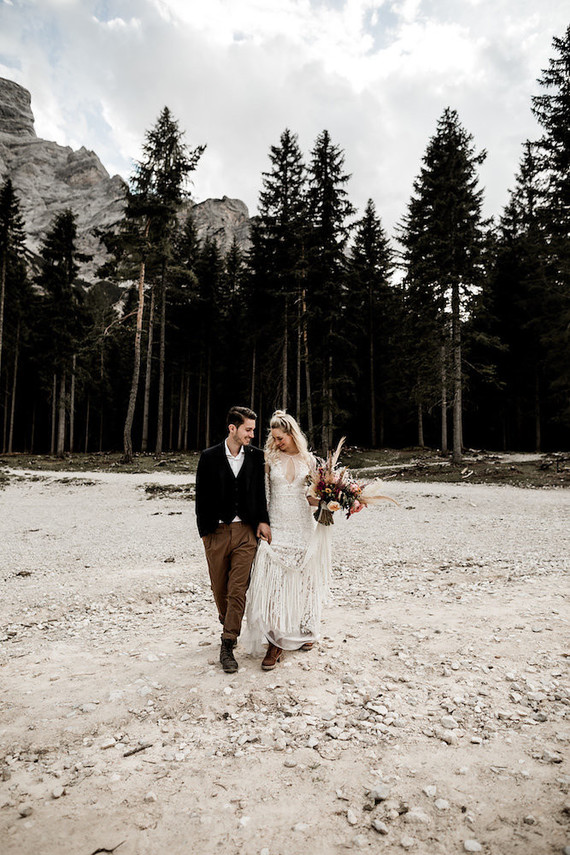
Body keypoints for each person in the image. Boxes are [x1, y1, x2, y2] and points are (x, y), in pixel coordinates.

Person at [243, 410, 331, 670]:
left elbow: (312, 498)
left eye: (280, 437)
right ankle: (275, 640)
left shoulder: (309, 460)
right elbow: (263, 494)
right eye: (274, 437)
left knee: (303, 580)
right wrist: (262, 521)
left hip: (303, 526)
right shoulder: (269, 458)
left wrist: (331, 500)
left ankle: (304, 629)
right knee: (274, 582)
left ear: (292, 434)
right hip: (277, 527)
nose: (277, 442)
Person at [195, 406, 271, 674]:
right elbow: (201, 496)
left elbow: (260, 494)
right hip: (215, 532)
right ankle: (227, 619)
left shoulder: (257, 457)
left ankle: (227, 642)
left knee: (238, 588)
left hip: (246, 533)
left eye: (253, 430)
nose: (252, 434)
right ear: (232, 428)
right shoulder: (209, 457)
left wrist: (262, 521)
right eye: (248, 429)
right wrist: (205, 534)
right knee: (220, 590)